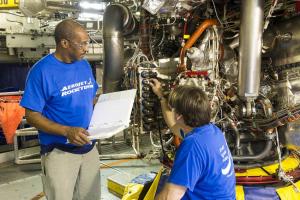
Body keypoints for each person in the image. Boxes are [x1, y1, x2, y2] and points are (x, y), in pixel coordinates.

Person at [20, 19, 100, 200]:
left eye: (88, 43)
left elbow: (90, 98)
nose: (86, 49)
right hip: (59, 152)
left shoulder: (84, 64)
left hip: (89, 147)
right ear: (64, 43)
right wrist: (66, 131)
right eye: (83, 44)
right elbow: (31, 116)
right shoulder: (41, 71)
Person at [149, 79, 236, 200]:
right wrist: (161, 97)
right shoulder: (212, 131)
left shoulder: (192, 146)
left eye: (173, 109)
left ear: (179, 116)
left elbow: (169, 197)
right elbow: (174, 127)